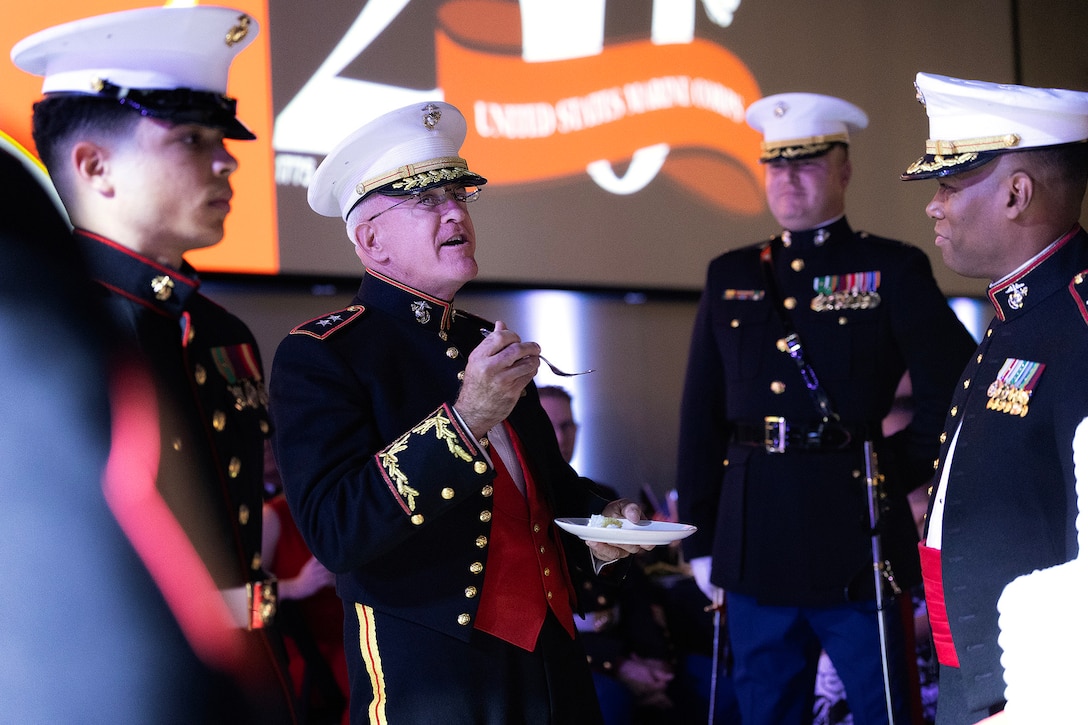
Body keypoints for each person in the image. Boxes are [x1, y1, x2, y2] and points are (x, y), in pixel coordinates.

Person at [268, 100, 650, 725]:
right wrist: (465, 419)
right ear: (370, 242)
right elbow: (336, 532)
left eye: (460, 196)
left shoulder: (484, 339)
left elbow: (545, 493)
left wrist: (602, 531)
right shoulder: (321, 355)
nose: (455, 213)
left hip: (553, 656)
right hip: (434, 671)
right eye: (425, 201)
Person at [12, 7, 297, 721]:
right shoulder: (45, 332)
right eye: (192, 139)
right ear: (95, 165)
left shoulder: (216, 328)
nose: (228, 160)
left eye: (221, 139)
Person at [676, 92, 977, 725]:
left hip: (855, 534)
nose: (787, 178)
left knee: (882, 710)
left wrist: (889, 467)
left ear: (843, 169)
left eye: (807, 162)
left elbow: (956, 382)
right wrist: (700, 538)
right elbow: (701, 413)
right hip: (754, 539)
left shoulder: (889, 268)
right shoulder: (731, 272)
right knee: (767, 710)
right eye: (776, 164)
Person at [900, 72, 1088, 724]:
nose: (934, 205)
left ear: (1016, 193)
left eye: (949, 185)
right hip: (982, 678)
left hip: (1040, 691)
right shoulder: (1018, 312)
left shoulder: (1077, 326)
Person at [538, 385, 675, 724]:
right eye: (547, 425)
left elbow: (633, 589)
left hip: (624, 644)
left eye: (567, 426)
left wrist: (654, 660)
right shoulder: (524, 507)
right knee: (611, 702)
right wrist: (619, 663)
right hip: (567, 658)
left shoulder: (601, 496)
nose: (560, 435)